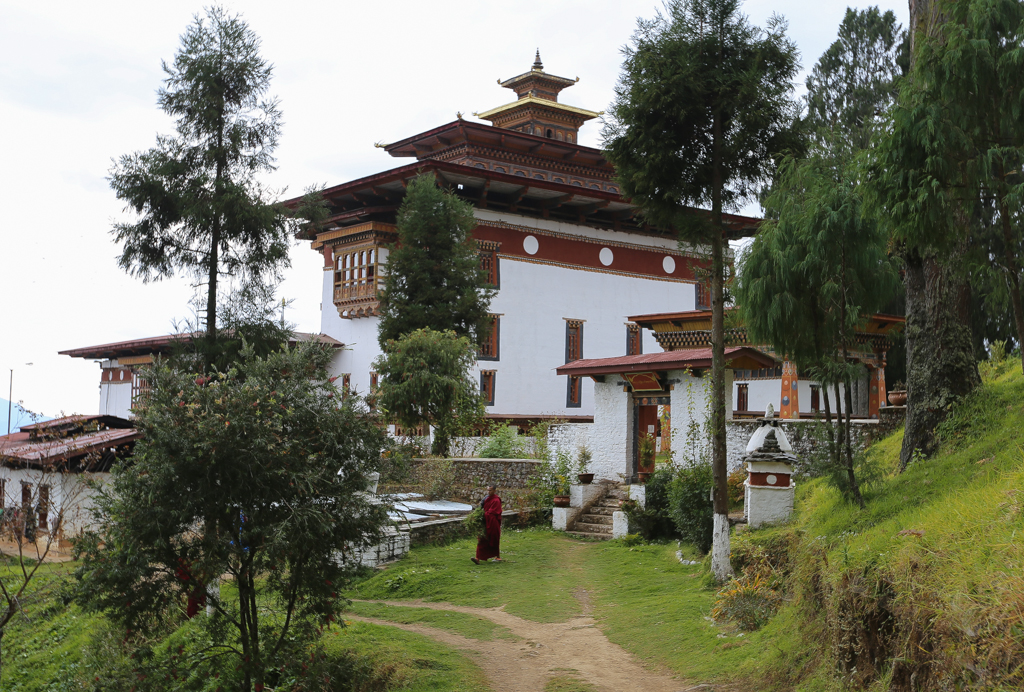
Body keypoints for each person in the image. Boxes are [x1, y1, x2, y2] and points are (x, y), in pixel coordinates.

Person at [471, 484, 502, 564]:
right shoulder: (486, 498)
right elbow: (481, 507)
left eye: (490, 490)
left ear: (495, 490)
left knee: (494, 539)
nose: (488, 492)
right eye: (488, 490)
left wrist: (485, 514)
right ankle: (477, 558)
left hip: (493, 523)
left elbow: (494, 512)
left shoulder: (496, 500)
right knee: (481, 539)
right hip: (485, 522)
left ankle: (497, 557)